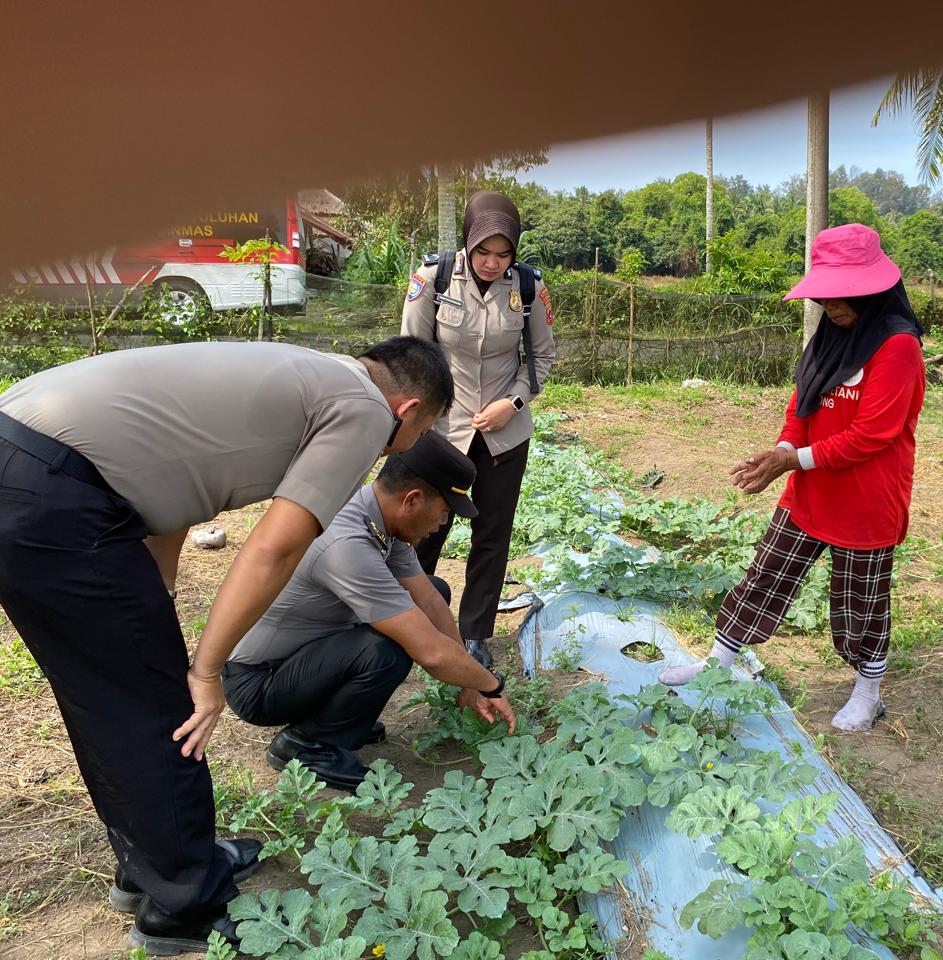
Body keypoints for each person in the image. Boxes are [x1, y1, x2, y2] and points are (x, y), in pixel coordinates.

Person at [0, 336, 451, 953]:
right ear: (406, 410)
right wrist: (208, 670)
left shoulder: (301, 372)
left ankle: (151, 868)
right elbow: (275, 546)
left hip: (28, 465)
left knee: (108, 698)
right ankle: (183, 903)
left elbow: (176, 484)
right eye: (418, 431)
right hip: (57, 494)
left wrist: (156, 600)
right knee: (162, 707)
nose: (399, 448)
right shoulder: (365, 407)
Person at [659, 224, 926, 733]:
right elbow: (801, 404)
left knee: (860, 600)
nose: (833, 308)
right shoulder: (830, 337)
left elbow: (872, 435)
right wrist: (784, 447)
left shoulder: (897, 348)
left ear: (876, 291)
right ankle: (719, 662)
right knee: (766, 575)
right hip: (809, 491)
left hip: (866, 503)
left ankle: (868, 693)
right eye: (825, 299)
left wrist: (793, 460)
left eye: (843, 298)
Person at [223, 432, 517, 791]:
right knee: (388, 650)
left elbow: (429, 601)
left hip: (302, 656)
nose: (442, 524)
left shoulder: (377, 517)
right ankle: (307, 744)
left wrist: (471, 680)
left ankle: (341, 719)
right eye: (443, 513)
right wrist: (489, 684)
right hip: (259, 681)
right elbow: (431, 652)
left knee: (431, 592)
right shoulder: (349, 544)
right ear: (412, 500)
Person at [401, 190, 556, 669]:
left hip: (504, 433)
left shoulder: (530, 287)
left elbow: (542, 359)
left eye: (502, 253)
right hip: (441, 430)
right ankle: (411, 623)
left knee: (492, 532)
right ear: (468, 242)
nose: (491, 262)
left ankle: (474, 634)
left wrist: (512, 404)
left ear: (515, 251)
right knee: (425, 530)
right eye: (483, 251)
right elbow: (410, 354)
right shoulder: (434, 278)